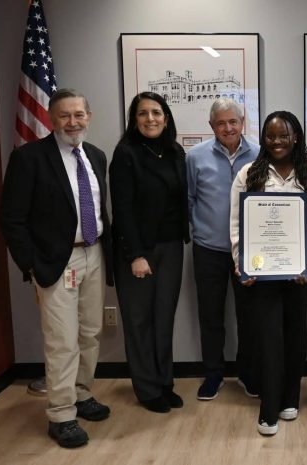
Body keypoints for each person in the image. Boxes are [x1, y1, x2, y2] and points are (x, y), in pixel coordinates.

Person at [0, 88, 113, 448]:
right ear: (51, 118)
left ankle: (81, 393)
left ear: (89, 117)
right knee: (62, 341)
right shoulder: (29, 158)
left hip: (94, 253)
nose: (72, 122)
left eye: (79, 114)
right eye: (64, 115)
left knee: (90, 333)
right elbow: (11, 218)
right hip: (57, 261)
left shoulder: (95, 155)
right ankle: (62, 415)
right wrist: (32, 265)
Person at [230, 111, 307, 436]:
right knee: (268, 337)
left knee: (296, 335)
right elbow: (237, 225)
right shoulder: (248, 174)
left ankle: (290, 398)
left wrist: (305, 261)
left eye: (283, 135)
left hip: (299, 273)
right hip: (261, 276)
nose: (277, 141)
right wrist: (243, 263)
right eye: (270, 136)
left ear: (295, 137)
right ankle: (268, 407)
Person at [109, 92, 189, 413]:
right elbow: (123, 209)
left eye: (156, 112)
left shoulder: (175, 152)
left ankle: (164, 382)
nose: (150, 118)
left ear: (166, 118)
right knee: (139, 321)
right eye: (142, 113)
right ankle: (147, 388)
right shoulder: (125, 153)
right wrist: (136, 255)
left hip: (171, 247)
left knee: (163, 318)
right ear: (134, 119)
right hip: (138, 250)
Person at [187, 98, 259, 400]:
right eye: (221, 123)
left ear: (242, 123)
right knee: (210, 315)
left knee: (249, 316)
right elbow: (189, 199)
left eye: (233, 121)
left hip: (250, 251)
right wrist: (200, 230)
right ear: (211, 126)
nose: (228, 128)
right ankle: (213, 375)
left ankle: (248, 373)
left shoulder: (260, 154)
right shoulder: (195, 157)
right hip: (209, 250)